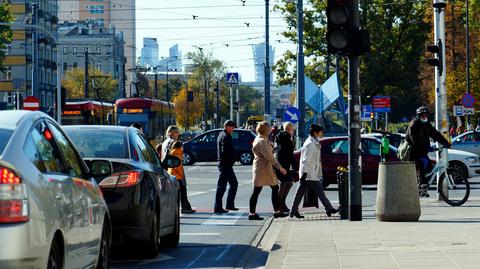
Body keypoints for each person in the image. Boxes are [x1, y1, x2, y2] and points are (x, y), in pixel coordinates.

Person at [290, 124, 339, 218]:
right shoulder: (310, 144)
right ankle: (329, 208)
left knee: (300, 192)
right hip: (308, 173)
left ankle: (293, 211)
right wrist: (304, 173)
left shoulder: (313, 142)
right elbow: (305, 160)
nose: (322, 133)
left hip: (309, 172)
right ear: (315, 133)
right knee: (319, 192)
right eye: (321, 132)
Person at [248, 121, 288, 220]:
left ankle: (275, 211)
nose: (270, 130)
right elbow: (269, 156)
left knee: (272, 188)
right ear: (266, 130)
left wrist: (274, 150)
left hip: (264, 167)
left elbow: (268, 153)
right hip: (263, 168)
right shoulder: (261, 140)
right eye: (269, 128)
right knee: (258, 190)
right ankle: (253, 214)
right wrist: (280, 168)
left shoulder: (262, 139)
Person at [406, 106, 451, 194]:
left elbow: (436, 134)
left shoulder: (426, 124)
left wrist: (446, 144)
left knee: (429, 166)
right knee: (424, 162)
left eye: (426, 115)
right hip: (412, 151)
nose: (424, 117)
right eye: (422, 115)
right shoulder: (413, 124)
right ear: (418, 116)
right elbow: (414, 140)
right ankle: (422, 185)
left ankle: (422, 187)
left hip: (421, 151)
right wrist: (427, 148)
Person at [214, 120, 239, 213]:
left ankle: (229, 204)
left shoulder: (222, 135)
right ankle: (218, 207)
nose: (233, 129)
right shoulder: (225, 136)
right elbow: (225, 151)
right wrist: (231, 160)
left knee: (233, 184)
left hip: (225, 164)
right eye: (232, 127)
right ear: (227, 127)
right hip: (225, 164)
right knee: (222, 186)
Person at [275, 121, 298, 213]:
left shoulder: (280, 137)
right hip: (283, 165)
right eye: (293, 130)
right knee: (285, 183)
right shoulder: (287, 139)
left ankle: (282, 203)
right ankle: (279, 205)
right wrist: (295, 167)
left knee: (288, 183)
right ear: (289, 129)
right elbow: (290, 155)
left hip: (281, 164)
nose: (293, 132)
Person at [168, 141, 196, 214]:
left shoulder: (173, 152)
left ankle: (186, 207)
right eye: (182, 146)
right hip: (177, 176)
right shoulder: (178, 154)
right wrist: (181, 176)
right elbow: (178, 167)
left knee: (181, 193)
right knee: (182, 193)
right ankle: (185, 208)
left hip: (172, 175)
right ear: (180, 147)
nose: (183, 148)